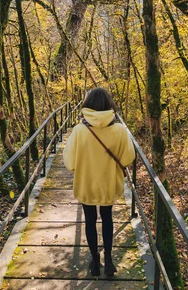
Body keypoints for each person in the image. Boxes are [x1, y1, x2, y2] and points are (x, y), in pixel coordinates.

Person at [63, 88, 136, 277]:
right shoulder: (119, 129)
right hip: (108, 183)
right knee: (107, 217)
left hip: (86, 182)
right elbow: (128, 158)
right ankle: (109, 261)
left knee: (89, 220)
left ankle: (95, 262)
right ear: (108, 104)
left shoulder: (80, 130)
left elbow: (69, 161)